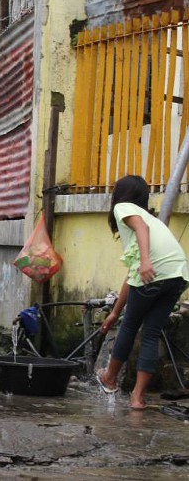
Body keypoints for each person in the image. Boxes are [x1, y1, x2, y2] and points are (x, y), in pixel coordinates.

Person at [96, 175, 189, 410]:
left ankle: (109, 378)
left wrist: (146, 261)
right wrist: (114, 312)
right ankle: (137, 398)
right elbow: (132, 276)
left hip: (156, 271)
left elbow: (141, 230)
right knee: (151, 332)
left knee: (130, 325)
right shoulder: (152, 219)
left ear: (121, 193)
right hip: (178, 274)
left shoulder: (125, 208)